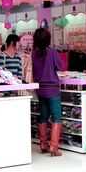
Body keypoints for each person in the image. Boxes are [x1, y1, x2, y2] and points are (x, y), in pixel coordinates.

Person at [32, 28, 62, 157]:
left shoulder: (34, 53)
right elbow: (60, 66)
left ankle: (43, 144)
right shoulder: (52, 52)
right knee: (57, 116)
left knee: (43, 115)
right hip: (52, 88)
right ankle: (54, 147)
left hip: (40, 88)